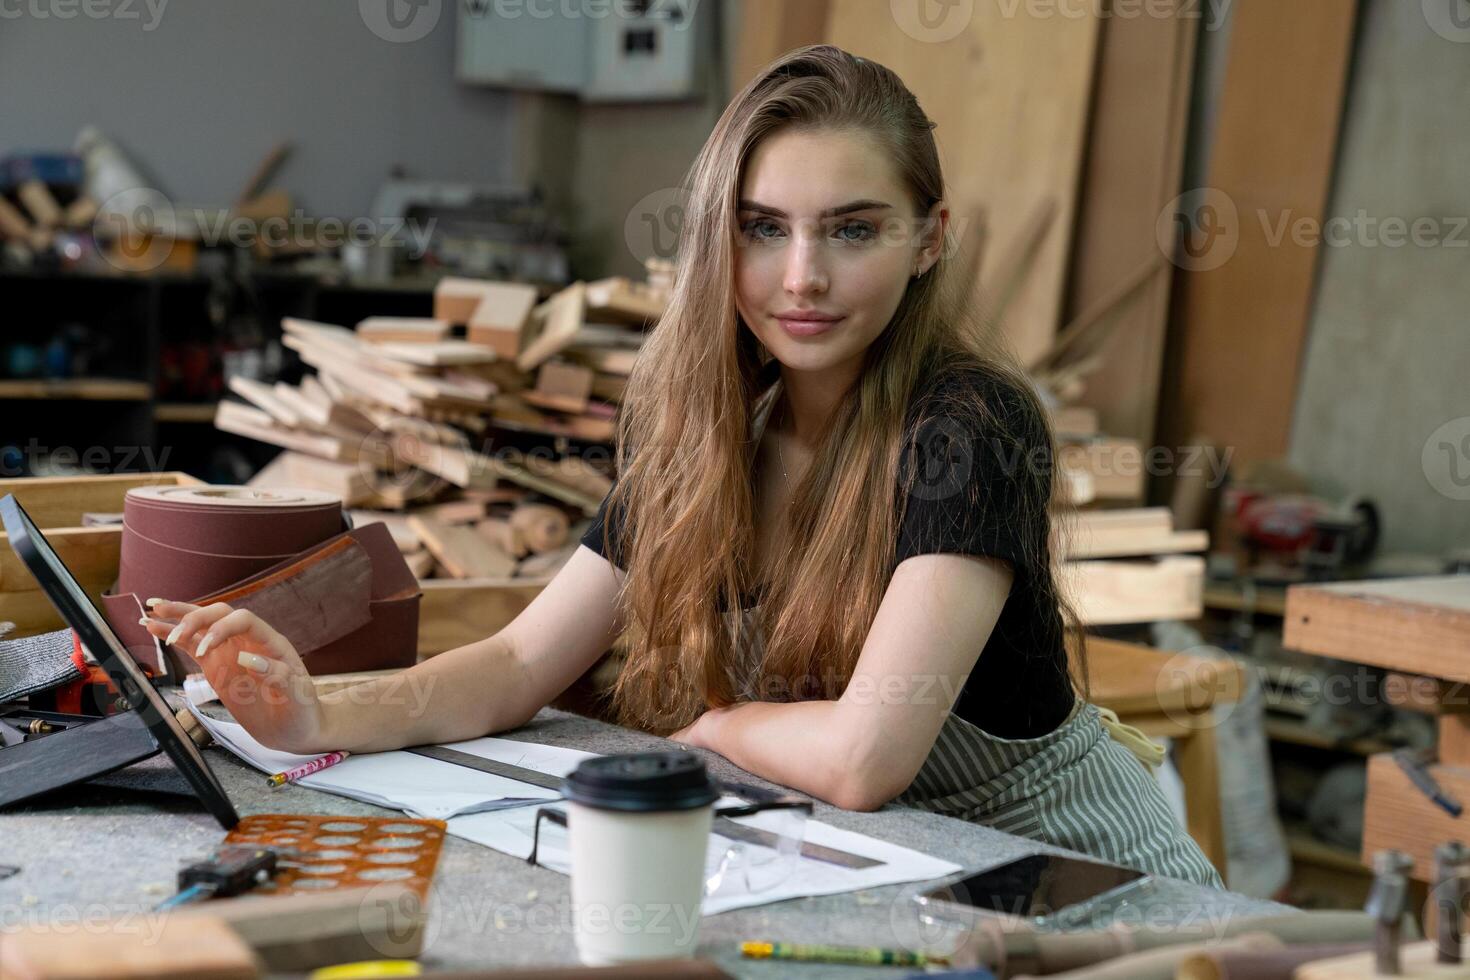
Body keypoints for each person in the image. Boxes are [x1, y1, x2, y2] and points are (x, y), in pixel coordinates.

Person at [142, 45, 1220, 887]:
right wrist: (321, 712)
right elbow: (519, 664)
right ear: (719, 236)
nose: (803, 276)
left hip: (1094, 888)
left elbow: (862, 757)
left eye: (853, 229)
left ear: (929, 239)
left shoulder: (970, 425)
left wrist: (712, 731)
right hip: (910, 868)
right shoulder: (711, 440)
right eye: (764, 228)